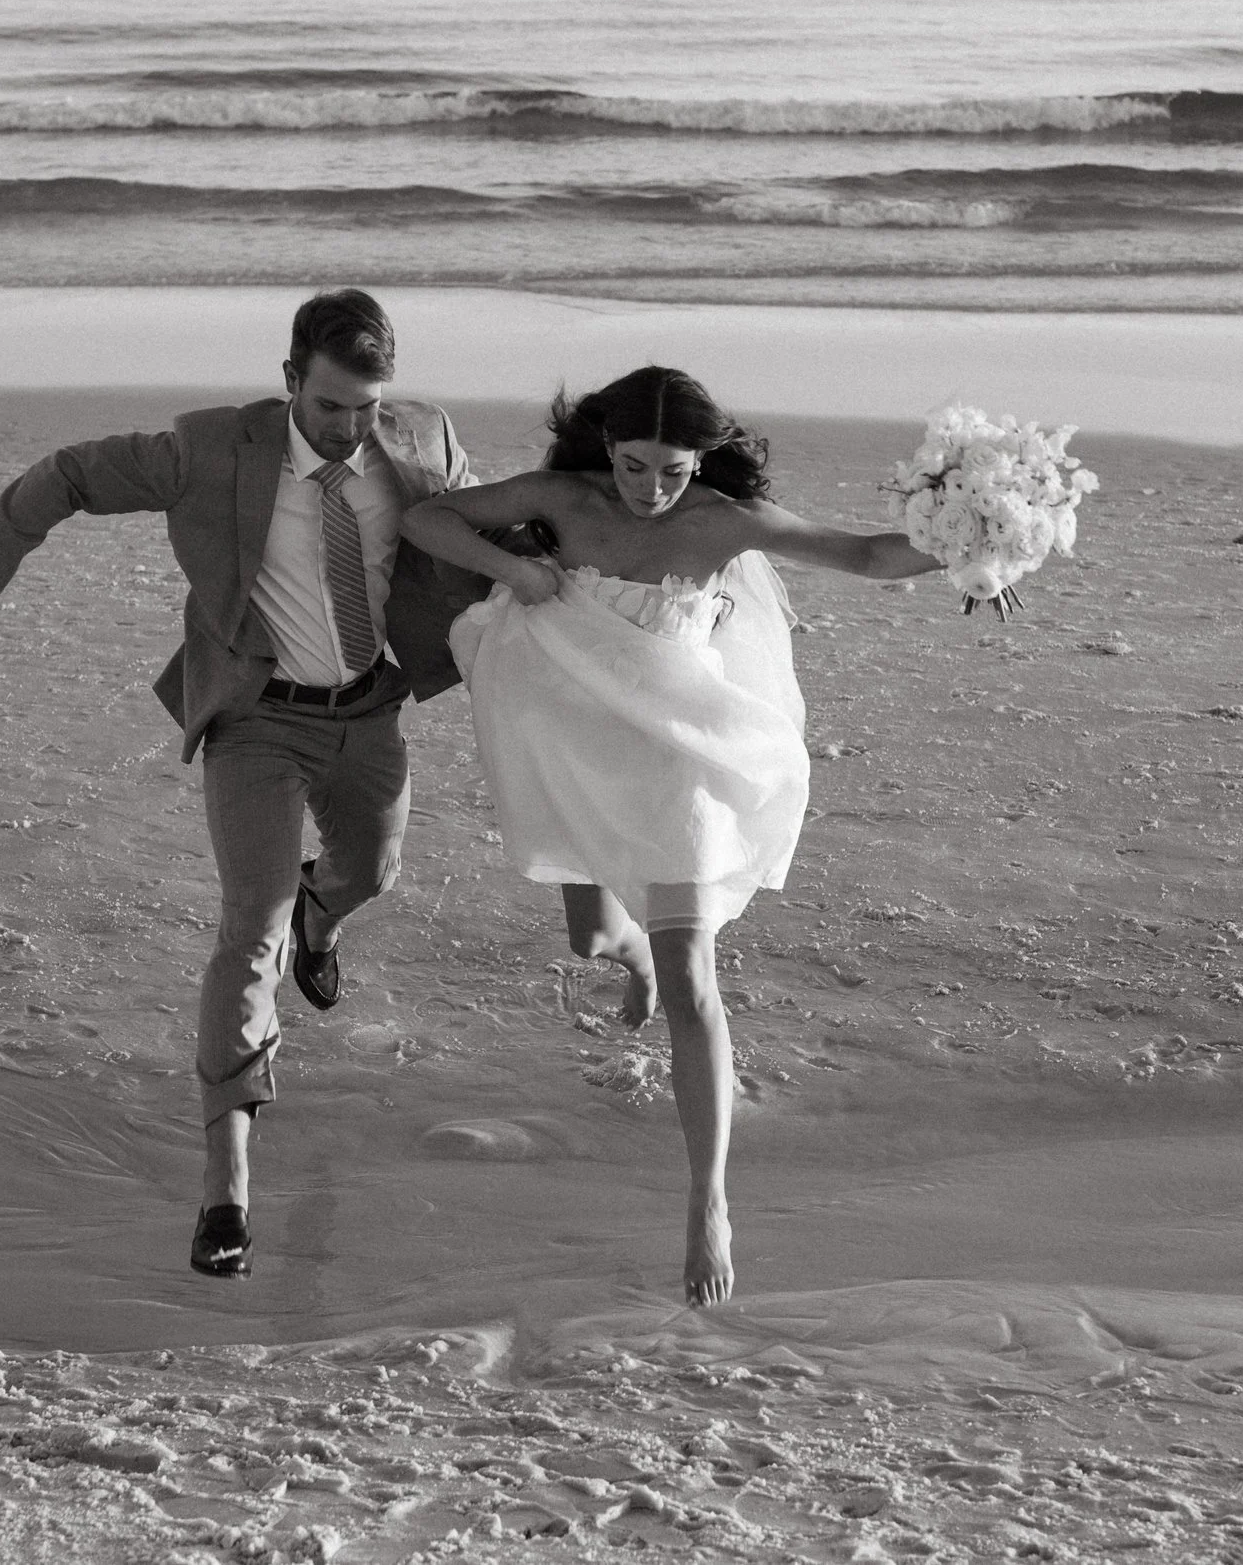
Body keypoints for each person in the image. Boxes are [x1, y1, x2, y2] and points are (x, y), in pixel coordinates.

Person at [0, 289, 485, 1281]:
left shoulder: (420, 440)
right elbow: (69, 475)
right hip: (255, 719)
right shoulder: (206, 450)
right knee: (250, 928)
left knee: (369, 875)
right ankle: (225, 1182)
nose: (349, 430)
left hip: (368, 711)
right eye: (328, 408)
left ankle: (326, 915)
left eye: (364, 408)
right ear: (287, 384)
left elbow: (492, 531)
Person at [398, 366, 946, 1306]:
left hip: (680, 762)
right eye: (634, 465)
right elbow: (429, 520)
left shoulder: (725, 523)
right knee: (594, 936)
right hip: (581, 745)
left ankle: (708, 1201)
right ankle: (636, 957)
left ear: (704, 461)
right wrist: (520, 569)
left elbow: (864, 555)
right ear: (604, 446)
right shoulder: (562, 500)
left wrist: (978, 549)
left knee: (696, 979)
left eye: (674, 470)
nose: (651, 489)